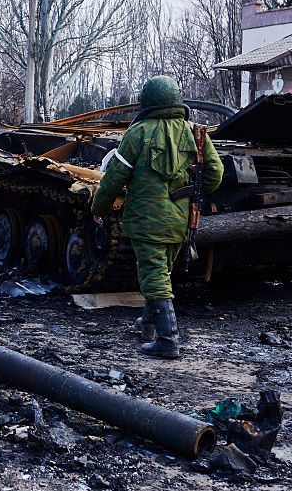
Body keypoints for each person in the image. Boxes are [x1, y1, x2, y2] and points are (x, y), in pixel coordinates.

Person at [89, 75, 223, 358]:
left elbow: (113, 178)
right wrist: (190, 193)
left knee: (154, 275)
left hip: (145, 219)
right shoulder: (196, 133)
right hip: (179, 220)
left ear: (147, 101)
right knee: (159, 272)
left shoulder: (137, 133)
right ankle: (148, 324)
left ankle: (168, 339)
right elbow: (216, 174)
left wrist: (98, 209)